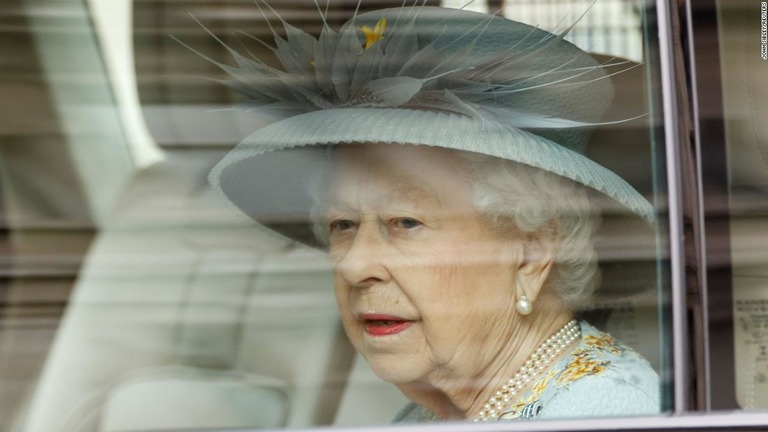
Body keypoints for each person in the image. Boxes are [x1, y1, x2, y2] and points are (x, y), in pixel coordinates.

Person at [198, 3, 660, 422]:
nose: (354, 266)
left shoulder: (603, 412)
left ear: (531, 250)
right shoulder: (432, 415)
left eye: (405, 223)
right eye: (343, 225)